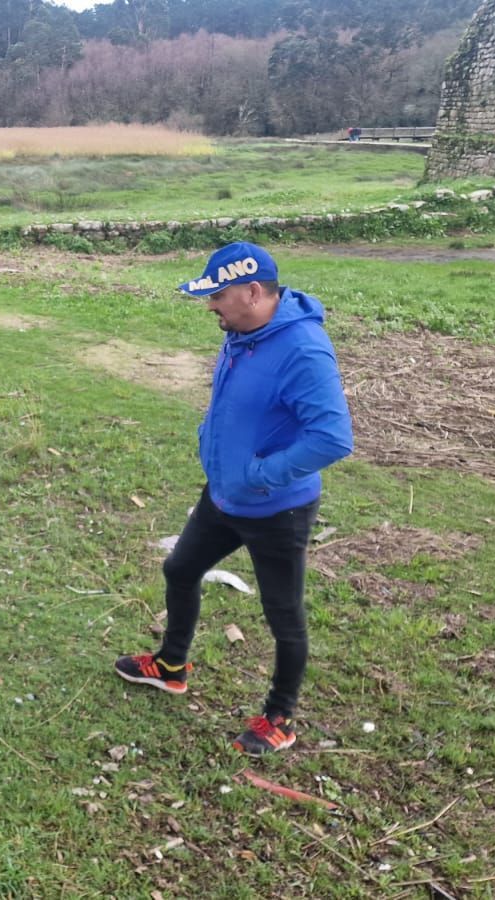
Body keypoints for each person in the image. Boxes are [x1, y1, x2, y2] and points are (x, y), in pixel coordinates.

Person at [113, 242, 353, 755]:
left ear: (252, 291)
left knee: (283, 617)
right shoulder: (242, 333)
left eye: (217, 295)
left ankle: (280, 717)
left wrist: (263, 474)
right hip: (223, 497)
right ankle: (171, 666)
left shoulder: (304, 349)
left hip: (276, 509)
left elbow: (332, 436)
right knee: (180, 570)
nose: (210, 306)